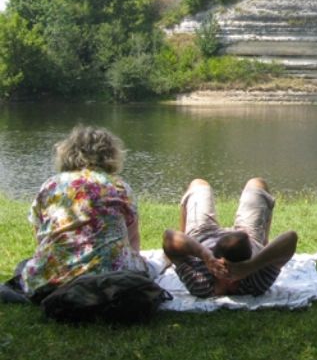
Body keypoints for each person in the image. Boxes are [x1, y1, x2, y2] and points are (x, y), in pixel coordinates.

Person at [18, 125, 149, 301]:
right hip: (110, 281)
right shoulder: (120, 187)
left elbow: (40, 236)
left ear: (68, 152)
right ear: (111, 154)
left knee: (23, 266)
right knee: (149, 265)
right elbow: (132, 238)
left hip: (51, 279)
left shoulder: (51, 185)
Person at [162, 178, 298, 298]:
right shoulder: (257, 283)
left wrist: (203, 254)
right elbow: (291, 238)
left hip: (203, 235)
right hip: (248, 236)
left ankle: (261, 242)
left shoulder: (201, 284)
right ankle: (263, 242)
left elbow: (169, 236)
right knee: (256, 183)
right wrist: (252, 265)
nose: (229, 280)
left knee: (199, 184)